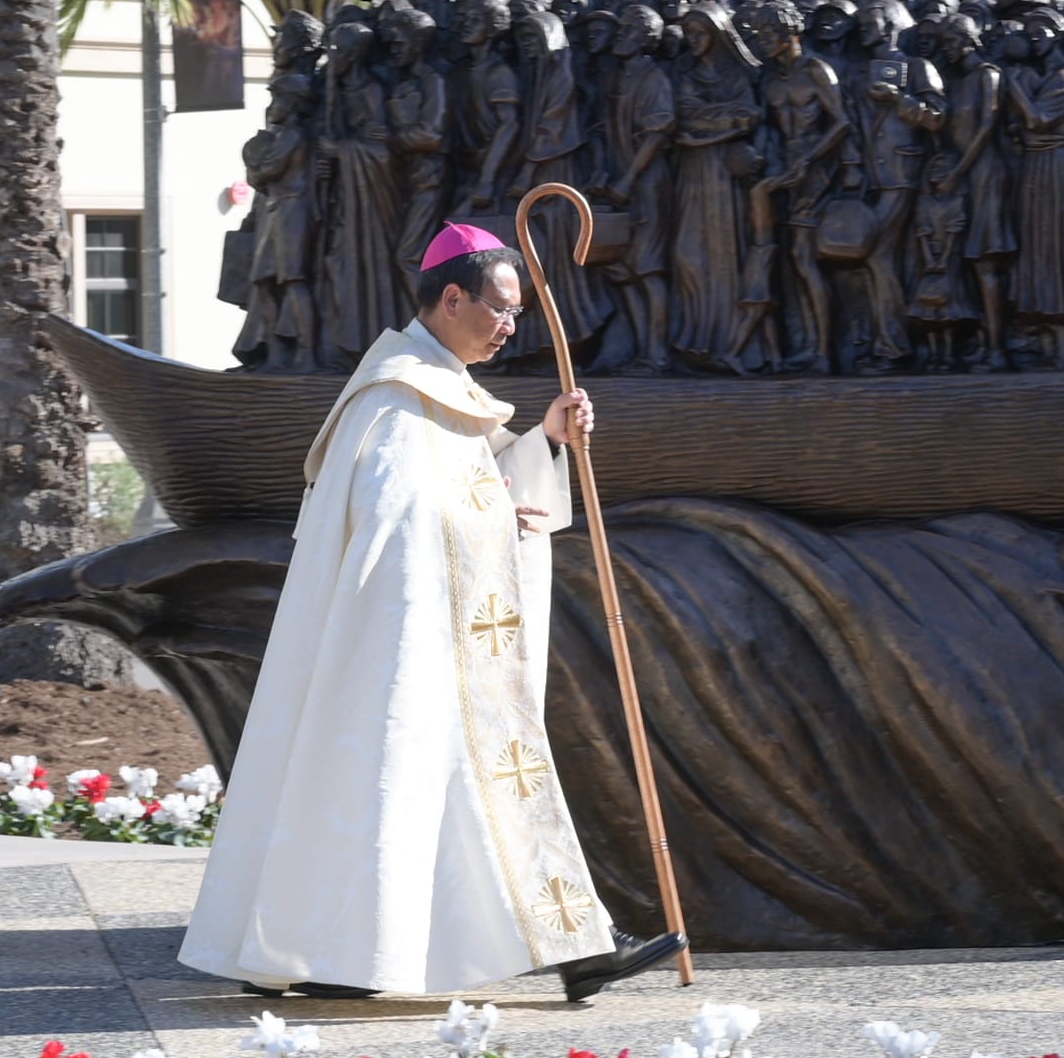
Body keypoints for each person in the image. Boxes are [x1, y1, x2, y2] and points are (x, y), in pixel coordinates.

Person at [178, 222, 686, 1002]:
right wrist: (493, 517)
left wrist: (543, 442)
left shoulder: (438, 389)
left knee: (459, 794)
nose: (511, 326)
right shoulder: (394, 396)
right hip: (398, 644)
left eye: (518, 312)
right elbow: (399, 518)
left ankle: (565, 944)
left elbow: (463, 489)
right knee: (407, 786)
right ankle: (351, 956)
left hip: (439, 637)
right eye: (501, 309)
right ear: (452, 298)